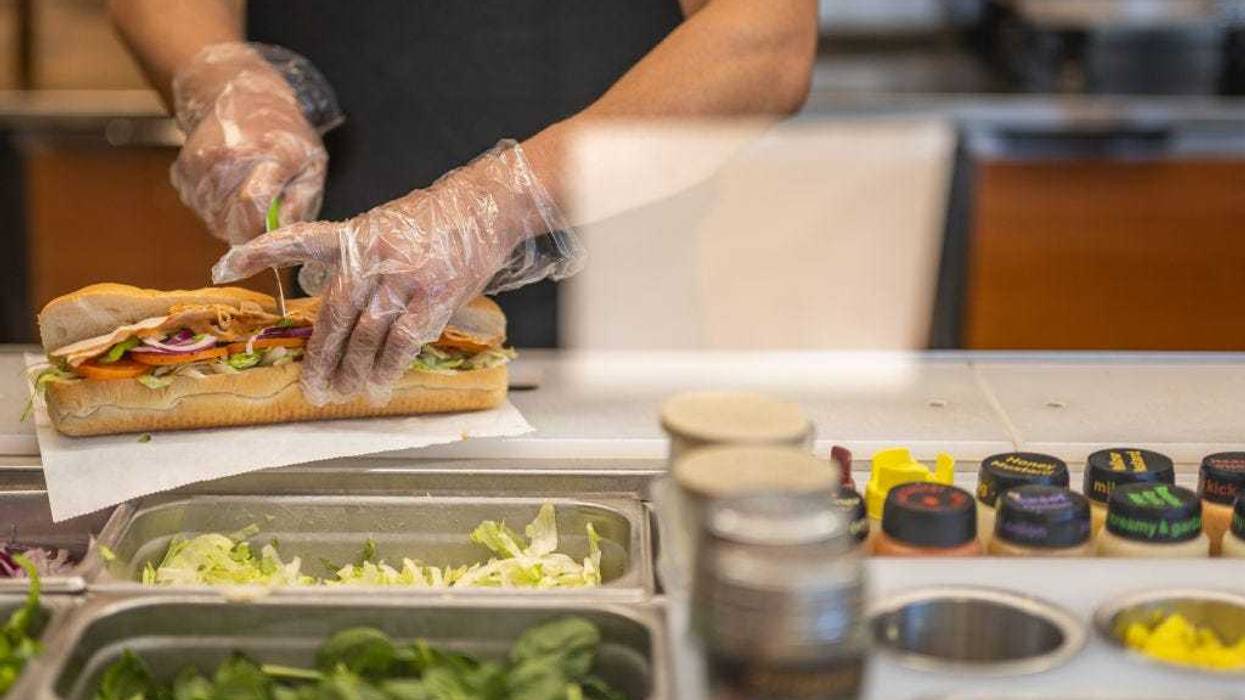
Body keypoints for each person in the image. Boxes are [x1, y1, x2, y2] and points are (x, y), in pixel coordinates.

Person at [110, 0, 818, 405]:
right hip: (325, 326)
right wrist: (222, 76)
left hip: (612, 334)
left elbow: (766, 39)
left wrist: (505, 200)